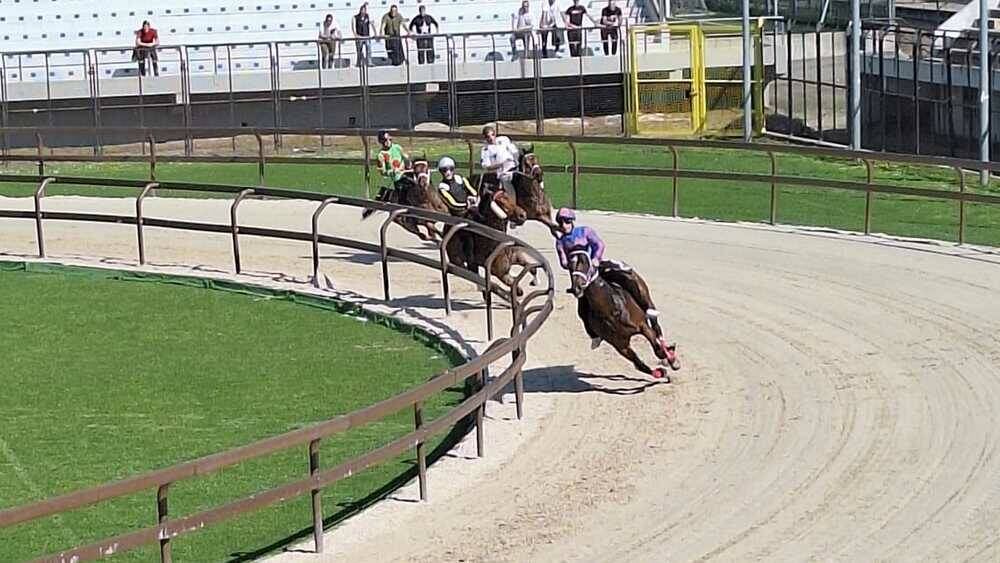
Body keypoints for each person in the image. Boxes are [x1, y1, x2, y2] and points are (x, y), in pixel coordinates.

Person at [554, 207, 661, 347]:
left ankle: (646, 306)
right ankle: (594, 334)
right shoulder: (560, 242)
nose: (564, 225)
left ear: (572, 222)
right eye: (561, 222)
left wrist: (595, 258)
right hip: (582, 277)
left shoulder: (584, 231)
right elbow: (563, 262)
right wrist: (573, 265)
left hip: (598, 266)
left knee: (626, 276)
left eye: (566, 221)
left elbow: (599, 244)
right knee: (582, 310)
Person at [479, 125, 520, 194]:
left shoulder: (504, 139)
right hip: (503, 173)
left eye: (492, 135)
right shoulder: (485, 150)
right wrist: (501, 164)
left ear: (495, 134)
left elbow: (515, 152)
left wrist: (516, 160)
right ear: (485, 138)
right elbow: (487, 167)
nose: (491, 138)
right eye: (488, 137)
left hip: (515, 169)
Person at [376, 130, 409, 196]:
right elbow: (383, 172)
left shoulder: (397, 147)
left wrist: (406, 162)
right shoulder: (381, 155)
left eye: (390, 139)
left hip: (405, 174)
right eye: (385, 140)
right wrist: (392, 171)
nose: (388, 142)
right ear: (380, 141)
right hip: (395, 178)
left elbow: (406, 158)